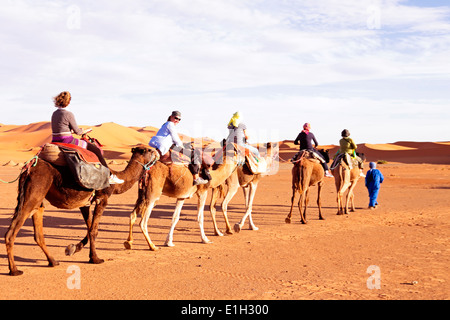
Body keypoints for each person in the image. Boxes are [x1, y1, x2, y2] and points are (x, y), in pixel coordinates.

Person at [51, 91, 123, 184]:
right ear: (69, 101)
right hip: (67, 140)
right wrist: (85, 131)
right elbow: (78, 132)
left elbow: (62, 128)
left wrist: (73, 131)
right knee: (95, 150)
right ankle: (109, 176)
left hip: (55, 140)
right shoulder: (69, 114)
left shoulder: (55, 113)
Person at [149, 111, 208, 185]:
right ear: (171, 117)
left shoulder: (165, 124)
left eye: (179, 119)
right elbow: (175, 138)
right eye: (176, 118)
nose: (177, 120)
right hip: (165, 146)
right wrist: (182, 146)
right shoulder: (170, 124)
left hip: (162, 145)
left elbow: (171, 139)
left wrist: (183, 144)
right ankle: (196, 178)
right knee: (193, 155)